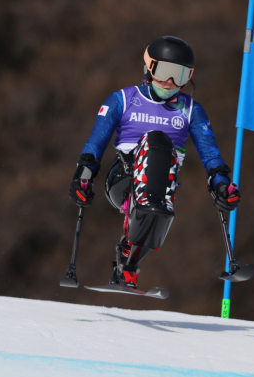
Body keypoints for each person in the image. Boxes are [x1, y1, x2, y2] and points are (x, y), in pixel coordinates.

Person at [68, 36, 240, 290]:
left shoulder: (191, 110)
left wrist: (222, 185)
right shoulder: (123, 99)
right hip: (122, 178)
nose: (170, 82)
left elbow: (210, 155)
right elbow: (95, 143)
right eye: (163, 72)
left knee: (160, 209)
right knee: (157, 140)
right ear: (149, 67)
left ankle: (127, 266)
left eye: (179, 75)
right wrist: (83, 177)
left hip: (163, 186)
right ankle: (137, 228)